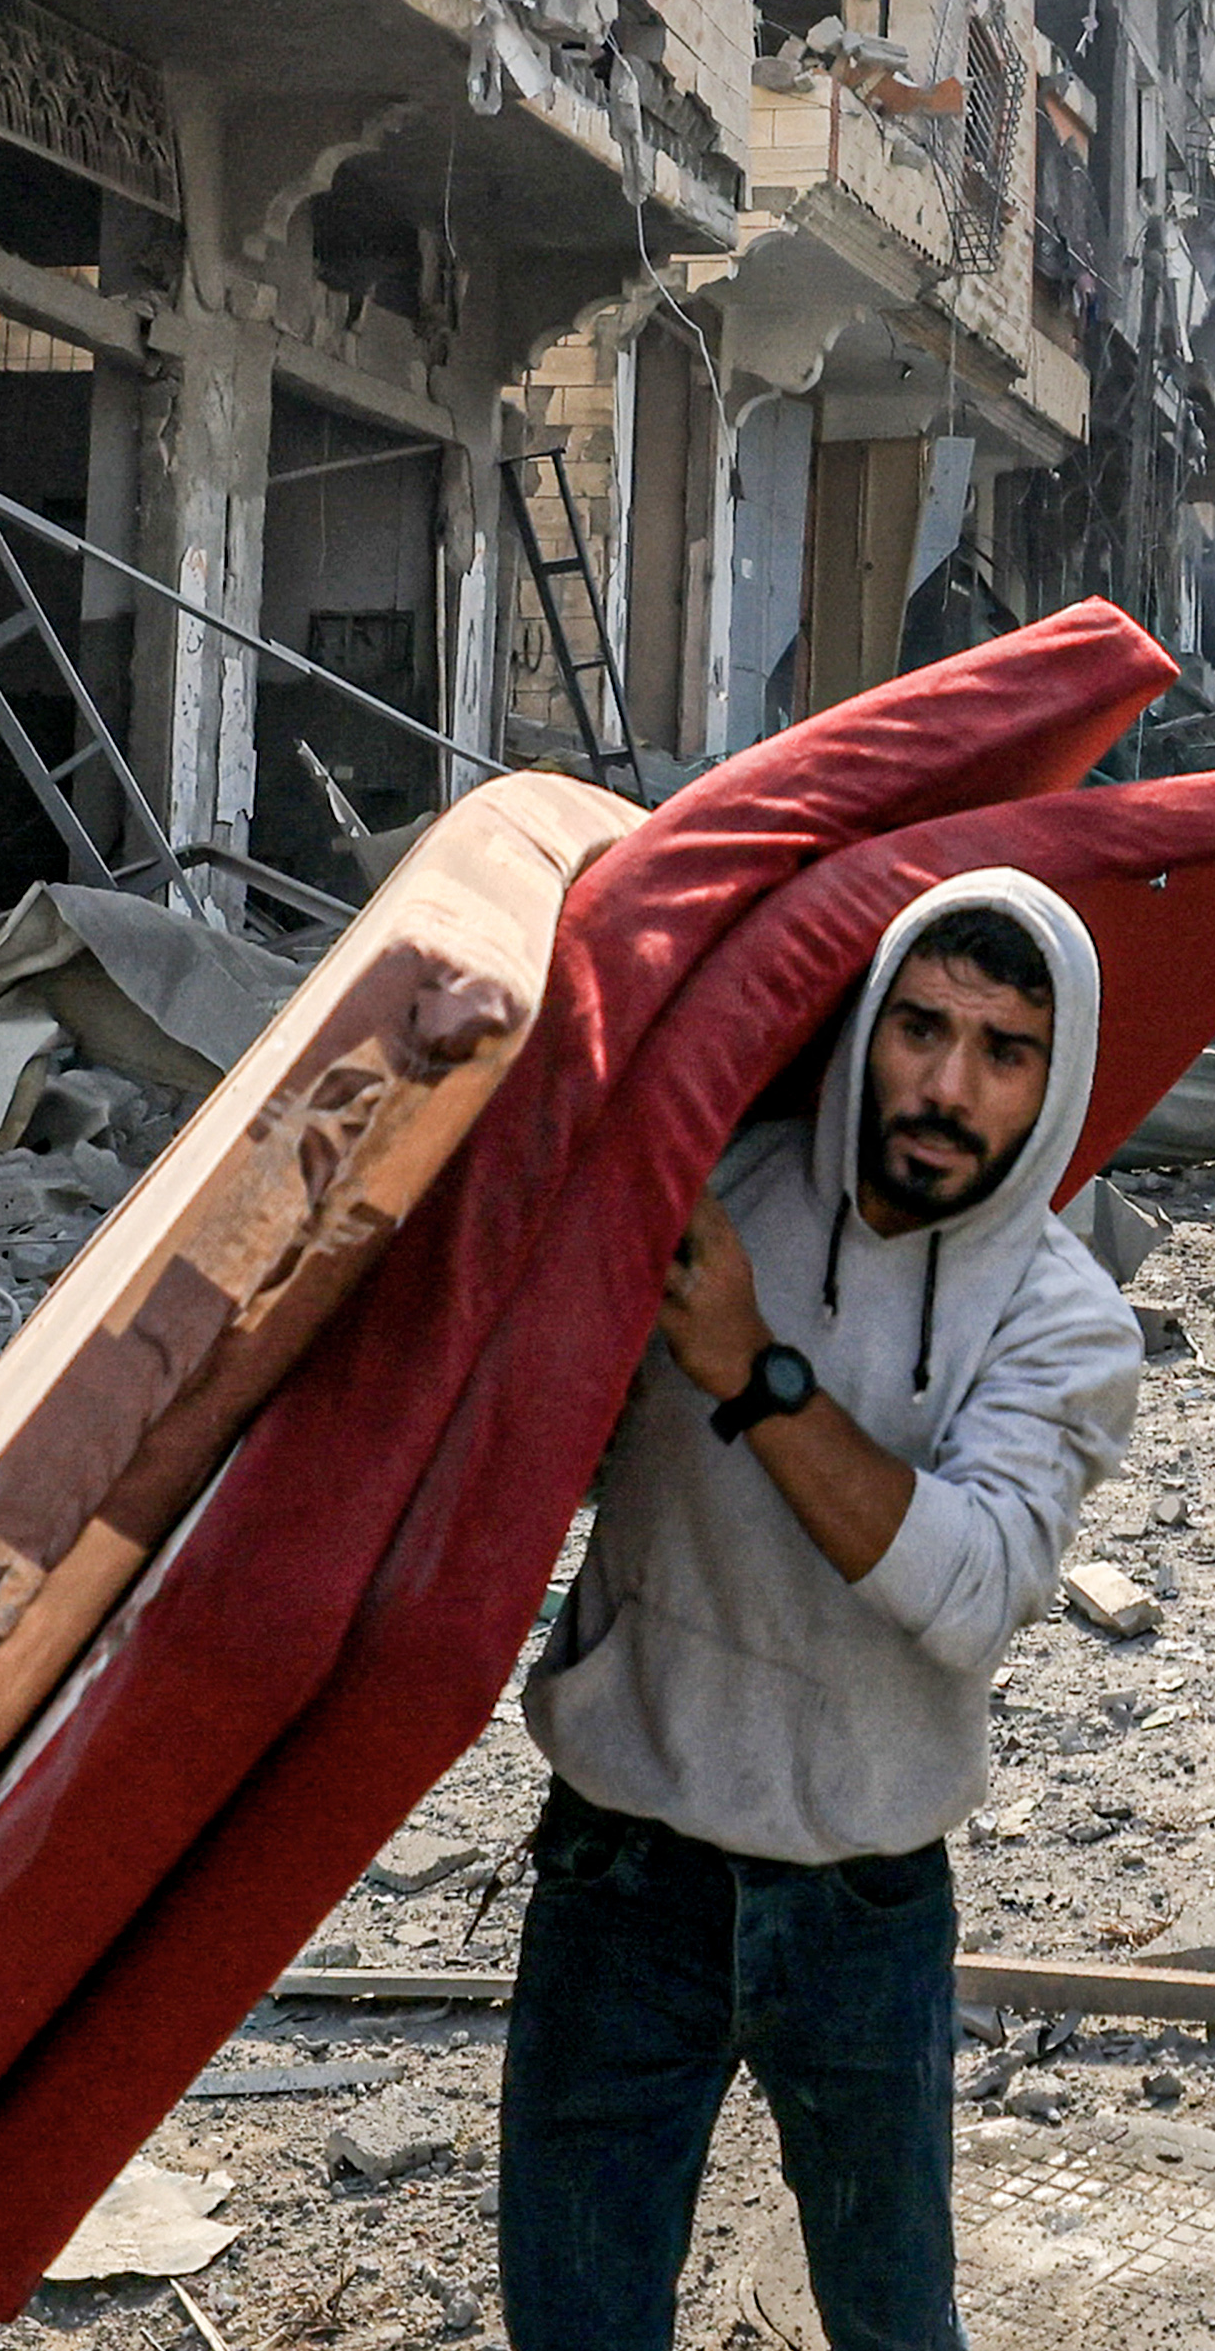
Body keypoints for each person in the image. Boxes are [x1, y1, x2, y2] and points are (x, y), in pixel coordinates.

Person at [498, 871, 1143, 2351]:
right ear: (867, 1024)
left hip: (859, 1910)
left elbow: (973, 1592)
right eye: (920, 1028)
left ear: (1056, 1084)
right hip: (621, 1881)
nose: (942, 1085)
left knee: (891, 2327)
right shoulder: (705, 1190)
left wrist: (751, 1370)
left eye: (1002, 1051)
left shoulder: (1062, 1319)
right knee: (574, 2323)